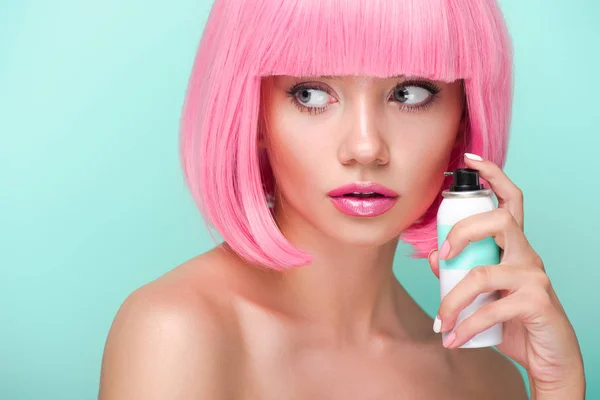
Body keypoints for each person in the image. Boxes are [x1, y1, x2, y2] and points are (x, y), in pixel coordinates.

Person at [99, 0, 586, 398]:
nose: (365, 148)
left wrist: (559, 387)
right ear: (255, 117)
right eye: (311, 94)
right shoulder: (176, 333)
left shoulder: (490, 380)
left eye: (410, 93)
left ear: (464, 117)